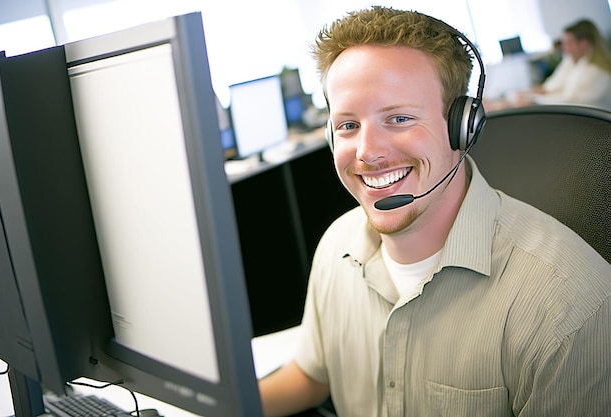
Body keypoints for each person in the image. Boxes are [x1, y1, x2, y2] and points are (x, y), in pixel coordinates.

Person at [258, 6, 611, 417]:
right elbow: (312, 376)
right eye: (348, 125)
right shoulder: (337, 244)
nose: (368, 152)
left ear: (462, 126)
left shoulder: (567, 306)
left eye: (399, 118)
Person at [518, 19, 611, 111]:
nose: (565, 48)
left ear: (584, 43)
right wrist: (529, 96)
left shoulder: (597, 71)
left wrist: (536, 100)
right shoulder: (573, 62)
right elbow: (552, 87)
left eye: (569, 43)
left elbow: (572, 101)